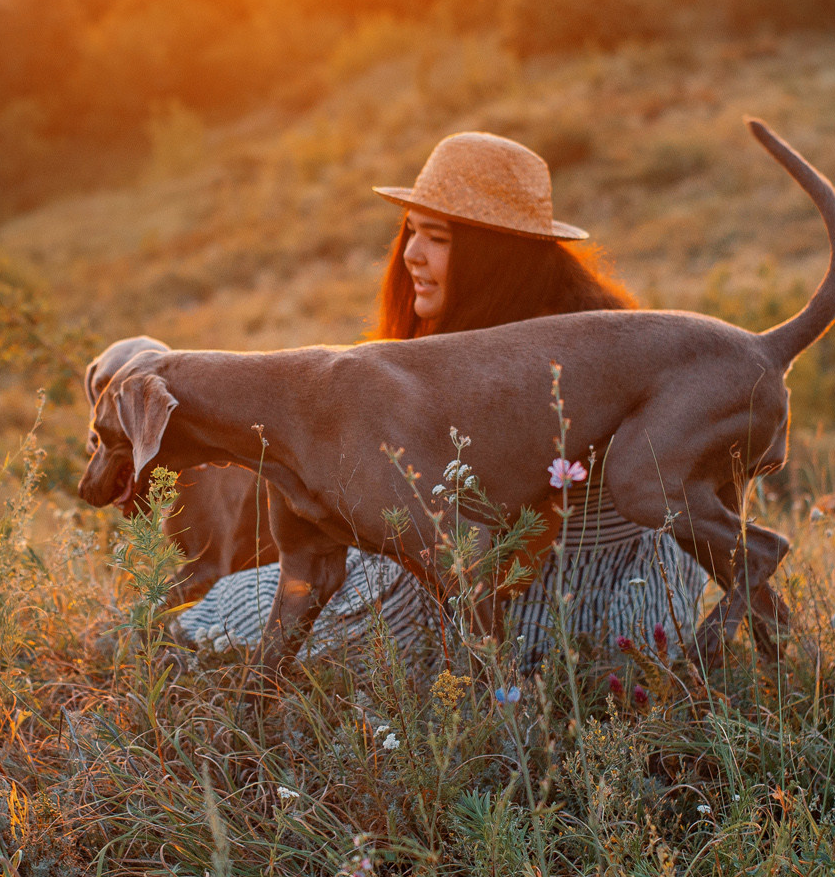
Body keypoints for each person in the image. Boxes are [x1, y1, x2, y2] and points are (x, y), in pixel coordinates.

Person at [174, 131, 707, 663]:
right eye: (411, 231)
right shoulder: (480, 341)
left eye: (439, 238)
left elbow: (507, 544)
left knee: (246, 630)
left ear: (496, 257)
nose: (410, 254)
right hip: (465, 570)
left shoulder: (561, 363)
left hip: (534, 596)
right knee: (227, 608)